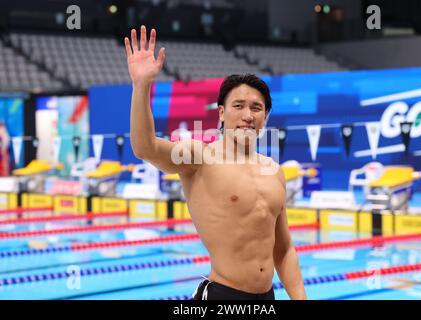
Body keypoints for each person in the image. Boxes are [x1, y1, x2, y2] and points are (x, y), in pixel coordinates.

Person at [124, 26, 306, 300]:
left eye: (256, 108)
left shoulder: (274, 171)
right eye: (238, 106)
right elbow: (145, 147)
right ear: (221, 113)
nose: (247, 115)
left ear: (265, 117)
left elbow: (283, 248)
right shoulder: (200, 158)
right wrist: (142, 86)